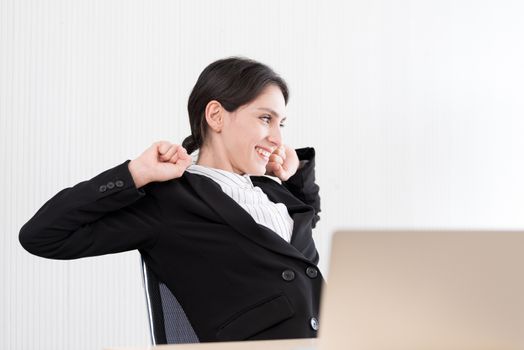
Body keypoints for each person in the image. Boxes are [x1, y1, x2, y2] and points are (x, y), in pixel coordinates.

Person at [19, 57, 322, 342]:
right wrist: (133, 174)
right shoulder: (171, 200)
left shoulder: (272, 193)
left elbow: (304, 229)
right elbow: (43, 235)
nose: (278, 139)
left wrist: (295, 174)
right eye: (265, 118)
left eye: (280, 124)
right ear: (216, 116)